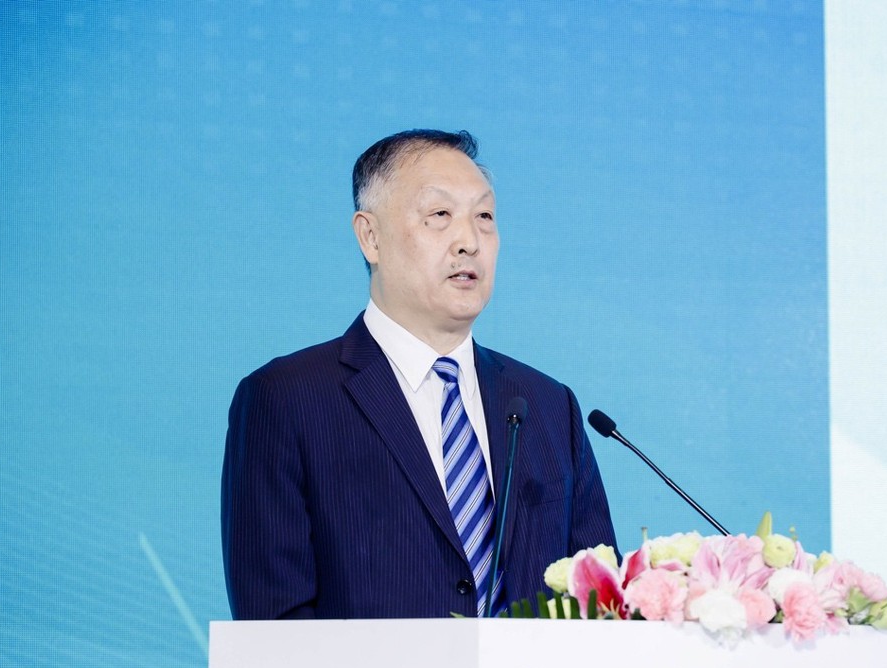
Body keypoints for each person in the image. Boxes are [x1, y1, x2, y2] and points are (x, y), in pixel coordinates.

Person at [221, 129, 616, 620]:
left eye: (484, 217)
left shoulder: (548, 407)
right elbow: (272, 625)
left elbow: (600, 610)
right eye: (439, 215)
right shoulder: (286, 400)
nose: (469, 242)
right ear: (371, 237)